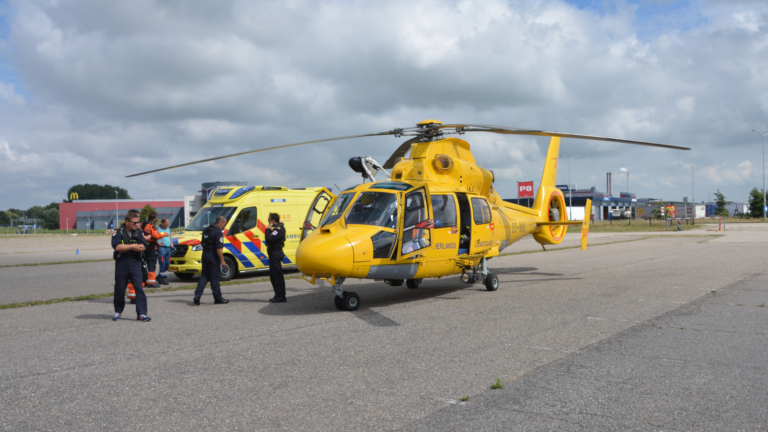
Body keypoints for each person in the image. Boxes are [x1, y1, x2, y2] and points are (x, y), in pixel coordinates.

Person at [111, 210, 151, 322]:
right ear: (127, 222)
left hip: (135, 262)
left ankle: (142, 314)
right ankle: (118, 311)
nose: (136, 224)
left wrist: (140, 247)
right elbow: (117, 247)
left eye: (137, 222)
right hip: (122, 263)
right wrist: (133, 246)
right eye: (134, 222)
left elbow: (144, 245)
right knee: (119, 289)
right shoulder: (118, 232)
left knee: (139, 288)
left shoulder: (138, 232)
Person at [193, 216, 230, 305]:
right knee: (214, 278)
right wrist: (222, 261)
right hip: (213, 256)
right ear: (220, 223)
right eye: (224, 224)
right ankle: (218, 298)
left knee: (204, 276)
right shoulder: (218, 232)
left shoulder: (206, 230)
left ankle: (197, 295)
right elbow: (219, 249)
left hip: (205, 254)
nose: (224, 227)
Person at [142, 212, 168, 288]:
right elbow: (156, 235)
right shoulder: (152, 225)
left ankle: (145, 280)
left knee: (146, 263)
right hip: (152, 246)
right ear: (154, 218)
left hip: (145, 245)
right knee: (152, 264)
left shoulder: (143, 224)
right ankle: (151, 282)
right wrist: (165, 234)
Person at [265, 213, 287, 303]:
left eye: (269, 219)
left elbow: (269, 239)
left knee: (277, 276)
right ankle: (278, 295)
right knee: (273, 276)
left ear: (273, 220)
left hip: (276, 253)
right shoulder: (275, 229)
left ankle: (281, 296)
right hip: (273, 253)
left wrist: (267, 229)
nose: (268, 221)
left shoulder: (278, 229)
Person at [156, 217, 172, 285]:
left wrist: (171, 243)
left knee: (167, 263)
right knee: (162, 263)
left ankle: (160, 275)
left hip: (168, 248)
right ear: (162, 223)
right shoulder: (158, 229)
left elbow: (170, 235)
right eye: (166, 223)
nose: (167, 225)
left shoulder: (168, 228)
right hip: (161, 248)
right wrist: (157, 242)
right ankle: (163, 278)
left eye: (168, 223)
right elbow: (154, 236)